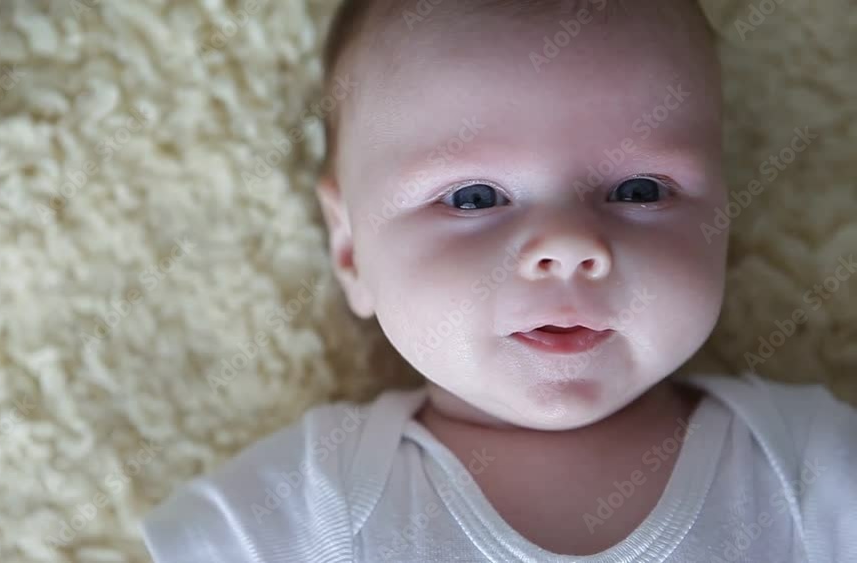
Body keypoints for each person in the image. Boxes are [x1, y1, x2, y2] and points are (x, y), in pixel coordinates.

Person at [142, 1, 857, 560]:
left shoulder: (812, 469)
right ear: (352, 248)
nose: (571, 248)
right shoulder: (309, 505)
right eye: (474, 198)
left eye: (640, 189)